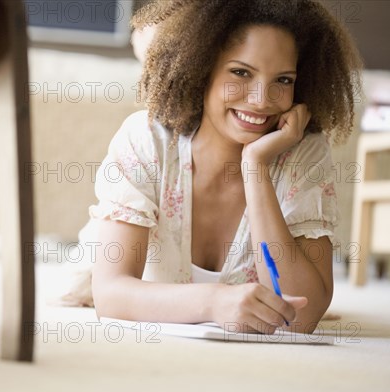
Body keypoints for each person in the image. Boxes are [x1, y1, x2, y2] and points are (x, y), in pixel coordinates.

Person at [60, 0, 362, 334]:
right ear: (202, 68)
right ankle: (150, 46)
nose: (262, 99)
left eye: (284, 80)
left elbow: (301, 316)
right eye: (241, 72)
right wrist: (215, 302)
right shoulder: (146, 140)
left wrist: (255, 166)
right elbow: (111, 296)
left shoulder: (303, 152)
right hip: (95, 265)